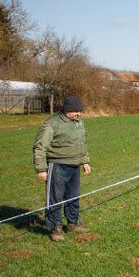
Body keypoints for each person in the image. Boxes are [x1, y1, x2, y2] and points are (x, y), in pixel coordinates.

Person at [33, 95, 91, 242]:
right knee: (55, 198)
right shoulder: (52, 124)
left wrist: (85, 161)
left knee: (73, 196)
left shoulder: (78, 122)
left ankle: (73, 223)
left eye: (80, 111)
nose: (79, 114)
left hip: (74, 166)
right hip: (57, 165)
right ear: (66, 110)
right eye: (75, 111)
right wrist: (41, 169)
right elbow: (40, 147)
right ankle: (55, 228)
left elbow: (82, 143)